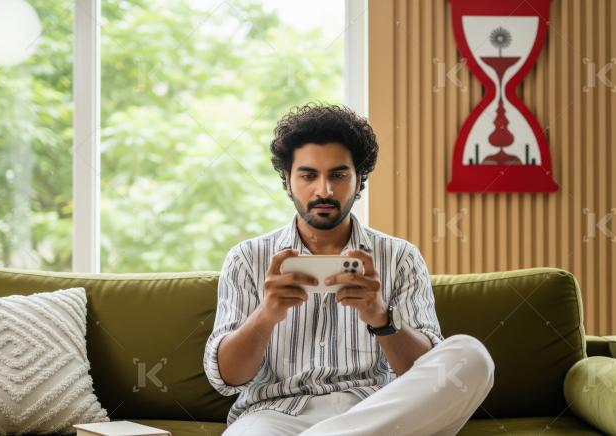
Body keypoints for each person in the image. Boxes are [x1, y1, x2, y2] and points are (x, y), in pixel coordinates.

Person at [204, 104, 494, 435]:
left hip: (377, 412)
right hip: (274, 416)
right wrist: (266, 315)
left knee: (471, 355)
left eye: (338, 175)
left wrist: (382, 318)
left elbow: (423, 373)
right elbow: (227, 379)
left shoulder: (400, 257)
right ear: (287, 181)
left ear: (359, 181)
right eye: (308, 176)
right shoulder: (246, 259)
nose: (324, 191)